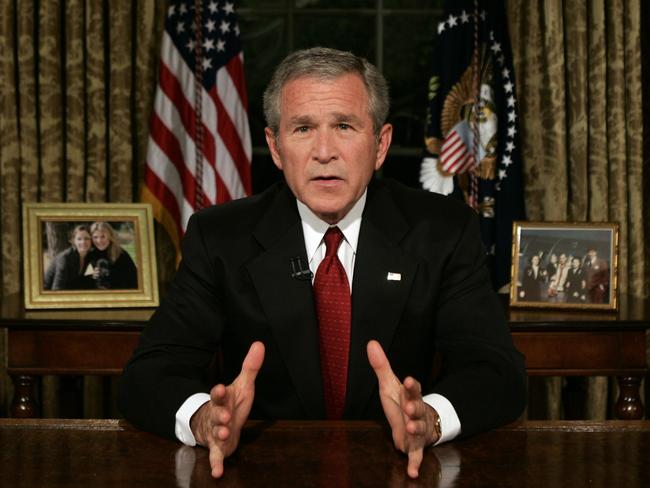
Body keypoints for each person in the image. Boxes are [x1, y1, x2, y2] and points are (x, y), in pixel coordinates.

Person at [119, 47, 526, 480]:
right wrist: (204, 419)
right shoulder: (221, 238)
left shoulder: (442, 232)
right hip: (264, 472)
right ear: (275, 147)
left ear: (381, 144)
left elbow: (498, 371)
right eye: (303, 128)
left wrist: (431, 419)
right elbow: (148, 374)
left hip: (394, 472)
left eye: (345, 126)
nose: (324, 151)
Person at [44, 224, 95, 290]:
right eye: (79, 239)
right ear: (74, 241)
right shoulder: (65, 258)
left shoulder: (90, 256)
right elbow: (57, 288)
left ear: (91, 241)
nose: (83, 242)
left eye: (87, 238)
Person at [88, 222, 138, 289]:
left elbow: (133, 280)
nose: (99, 240)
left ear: (110, 236)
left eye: (103, 236)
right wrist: (90, 275)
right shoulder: (89, 254)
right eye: (95, 237)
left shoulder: (121, 254)